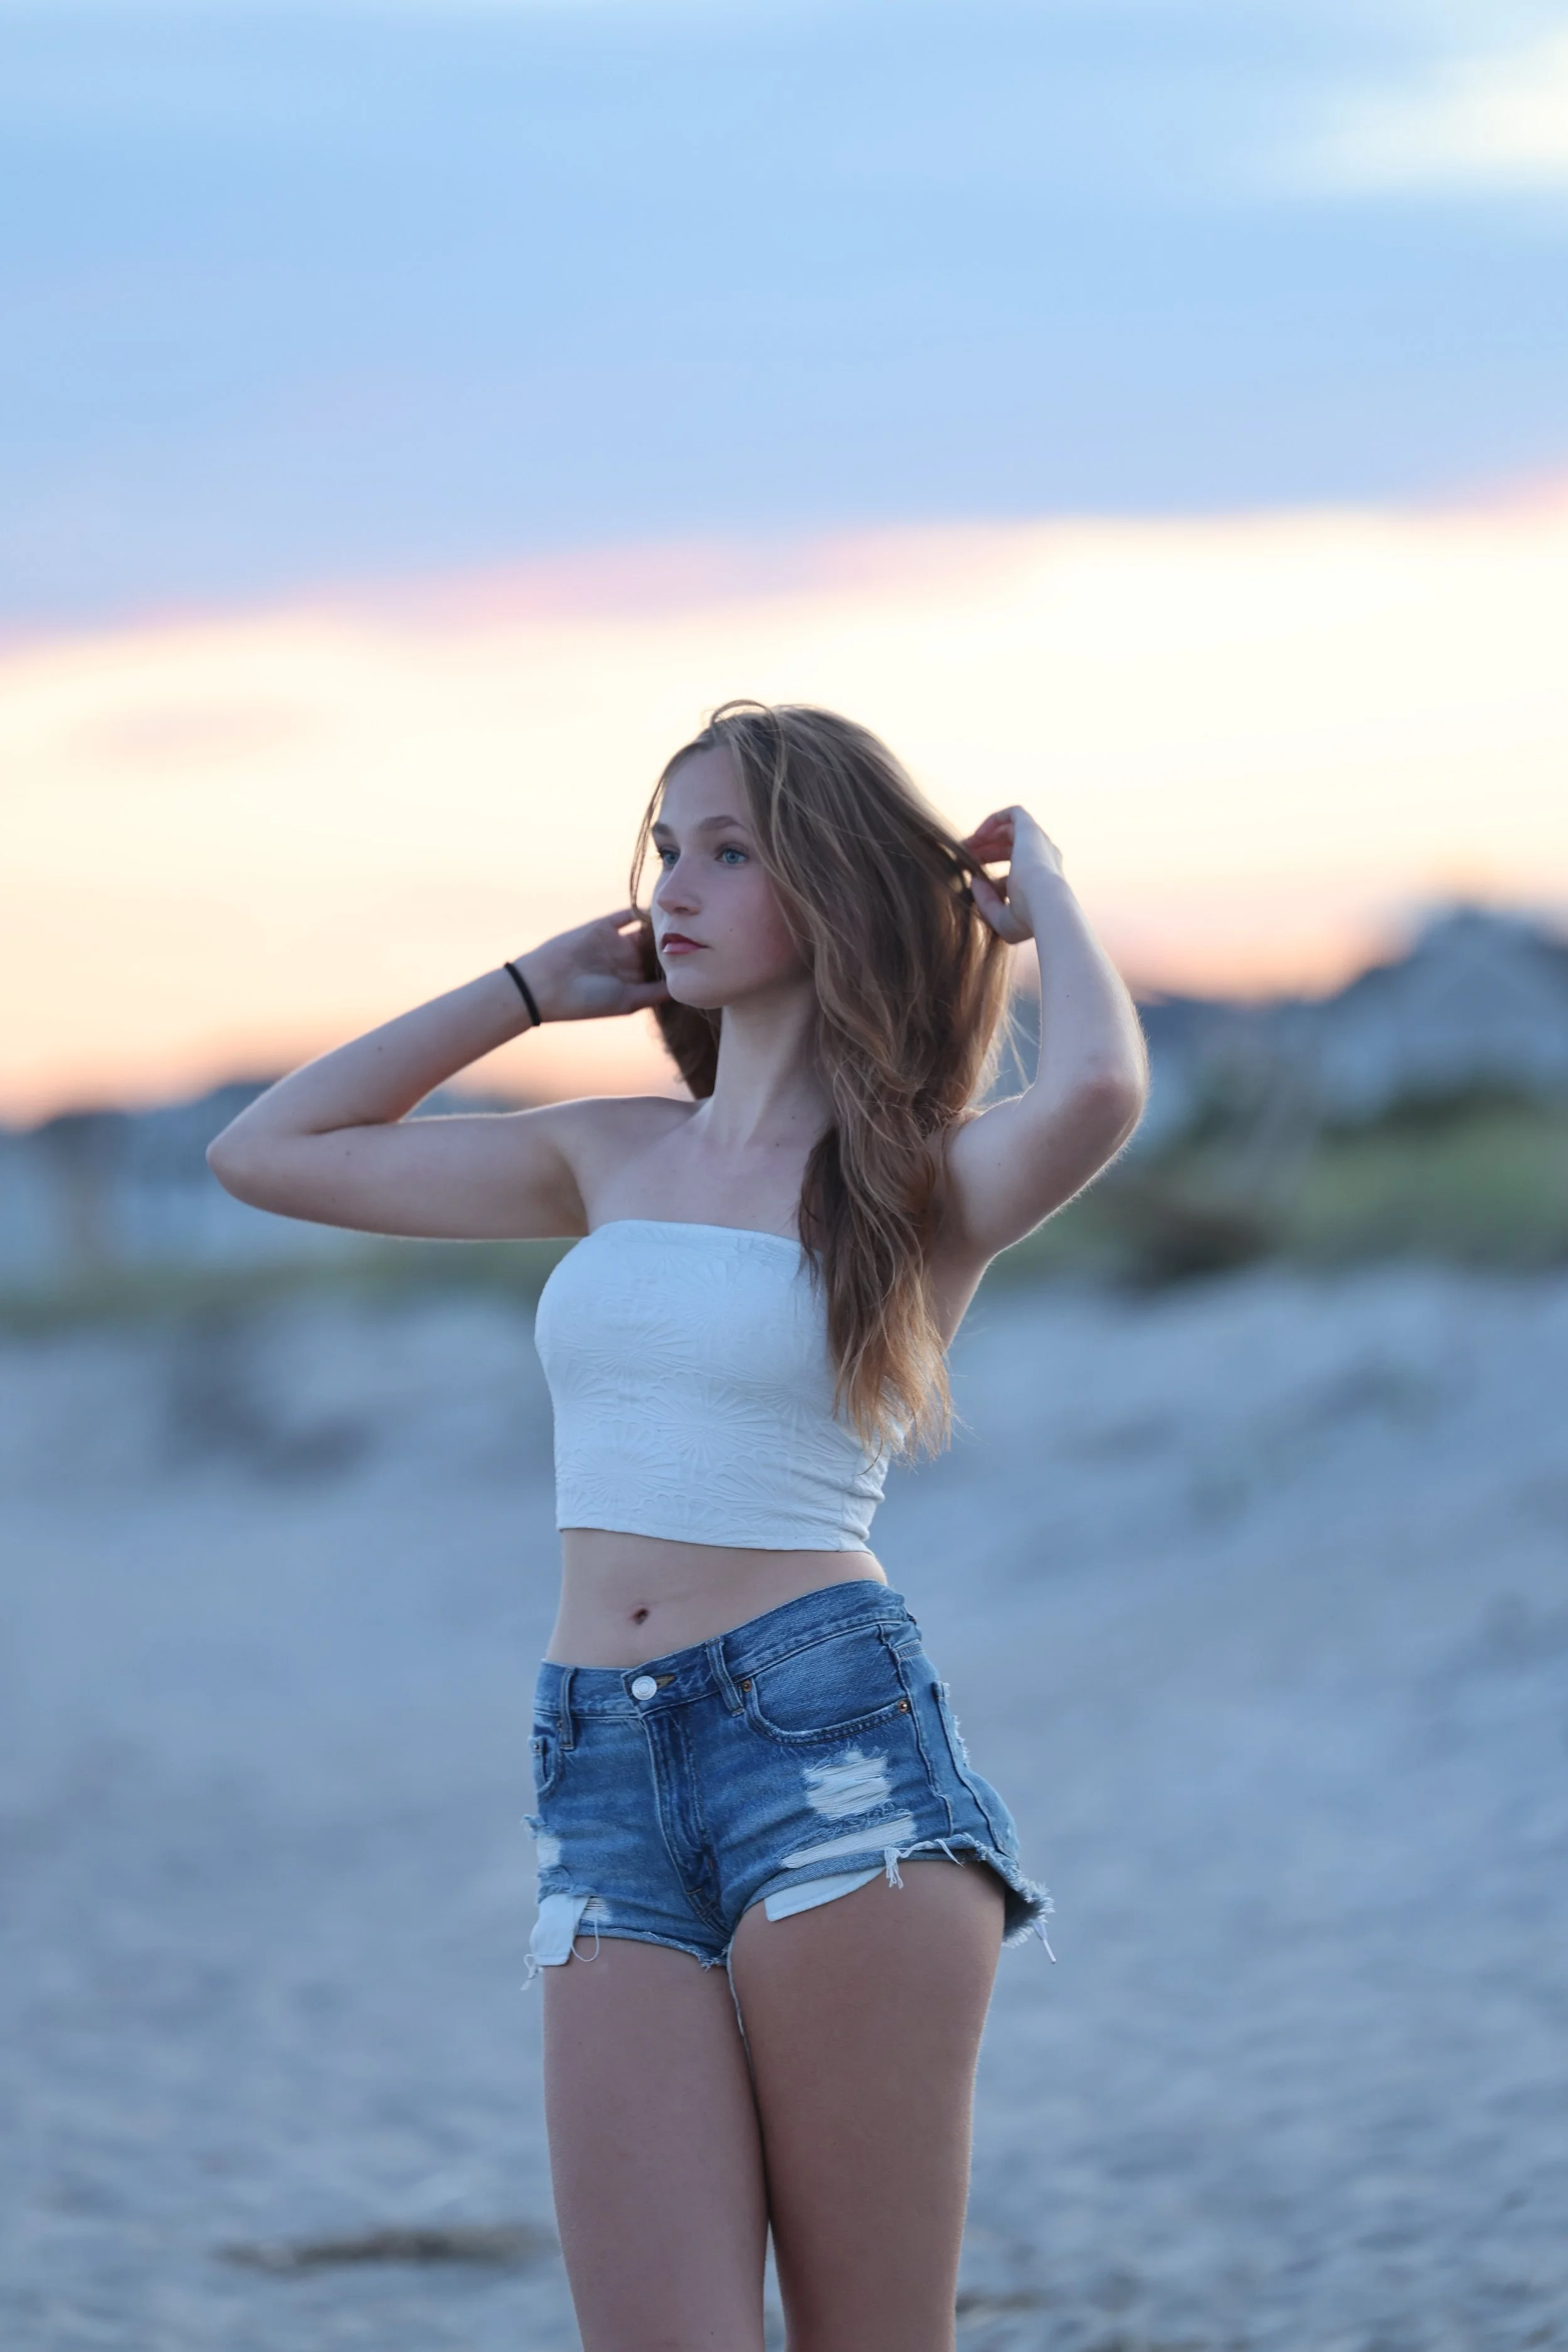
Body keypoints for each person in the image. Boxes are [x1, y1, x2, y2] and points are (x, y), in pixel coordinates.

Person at [207, 699, 1147, 2352]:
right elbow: (264, 1151)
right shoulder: (602, 1151)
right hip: (596, 1768)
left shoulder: (912, 1182)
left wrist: (1042, 891)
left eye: (729, 850)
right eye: (666, 850)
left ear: (838, 890)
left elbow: (1095, 1087)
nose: (677, 887)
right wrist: (522, 992)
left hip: (829, 1750)